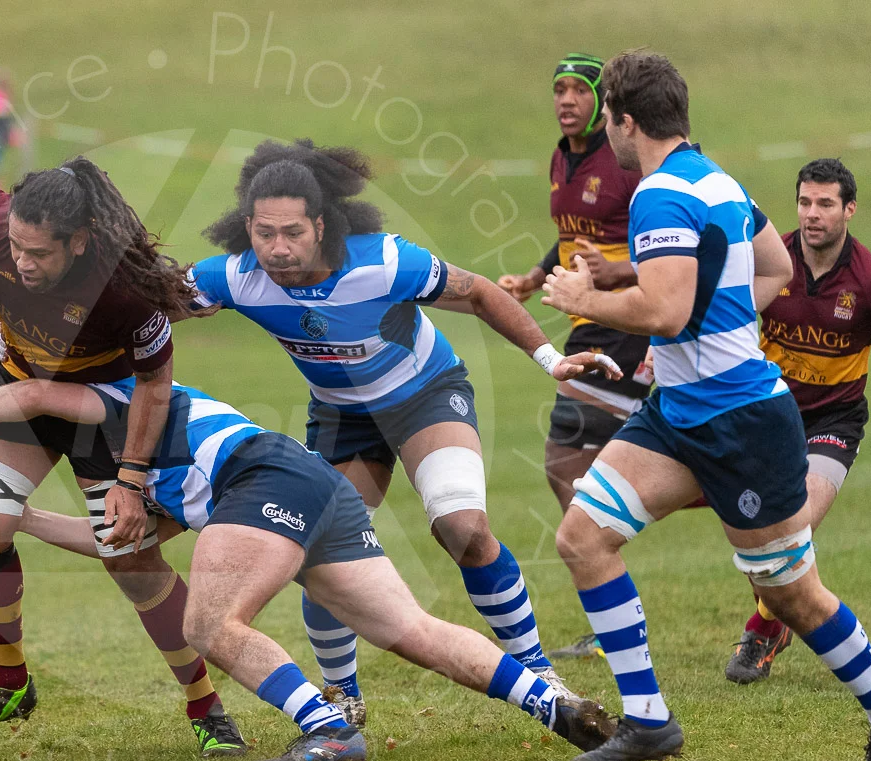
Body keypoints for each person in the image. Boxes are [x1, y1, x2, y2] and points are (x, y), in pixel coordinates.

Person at [542, 50, 871, 761]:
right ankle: (649, 720)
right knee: (583, 537)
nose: (609, 136)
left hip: (743, 421)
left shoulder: (658, 194)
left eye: (611, 123)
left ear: (625, 123)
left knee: (792, 595)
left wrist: (582, 300)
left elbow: (664, 308)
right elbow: (774, 271)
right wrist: (707, 322)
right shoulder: (718, 179)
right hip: (678, 415)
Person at [0, 376, 618, 761]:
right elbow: (119, 544)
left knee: (209, 624)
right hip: (311, 485)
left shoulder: (118, 398)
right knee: (409, 629)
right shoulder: (134, 472)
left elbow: (39, 391)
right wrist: (20, 517)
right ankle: (551, 703)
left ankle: (328, 729)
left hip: (264, 479)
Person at [186, 139, 622, 724]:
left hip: (425, 397)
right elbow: (146, 306)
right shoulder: (233, 278)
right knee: (318, 552)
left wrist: (551, 359)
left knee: (461, 527)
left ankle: (538, 671)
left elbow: (479, 293)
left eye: (293, 232)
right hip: (342, 417)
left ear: (322, 224)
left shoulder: (384, 262)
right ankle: (343, 696)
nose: (279, 248)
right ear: (247, 226)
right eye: (265, 233)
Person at [0, 159, 247, 757]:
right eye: (15, 248)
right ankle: (8, 681)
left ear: (79, 242)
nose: (21, 263)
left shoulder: (127, 292)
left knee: (131, 563)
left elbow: (155, 386)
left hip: (103, 410)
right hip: (21, 386)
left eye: (38, 253)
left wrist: (133, 479)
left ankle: (204, 707)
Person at [722, 158, 871, 684]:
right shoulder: (767, 259)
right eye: (804, 202)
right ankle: (776, 614)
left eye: (825, 204)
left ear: (849, 209)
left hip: (833, 423)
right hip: (766, 416)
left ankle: (764, 627)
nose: (812, 214)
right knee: (759, 545)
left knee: (792, 530)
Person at [498, 53, 650, 523]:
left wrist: (622, 269)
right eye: (560, 90)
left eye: (580, 90)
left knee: (565, 451)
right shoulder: (561, 157)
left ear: (602, 100)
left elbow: (667, 245)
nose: (567, 100)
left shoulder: (624, 161)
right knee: (577, 458)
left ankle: (592, 551)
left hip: (621, 318)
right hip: (589, 316)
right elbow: (570, 235)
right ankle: (594, 545)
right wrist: (532, 277)